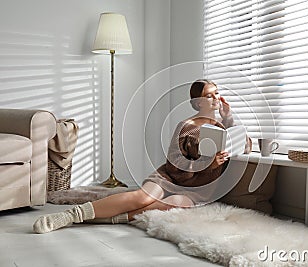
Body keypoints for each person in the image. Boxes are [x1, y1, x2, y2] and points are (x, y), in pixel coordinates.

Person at [33, 79, 252, 234]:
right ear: (197, 102)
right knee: (143, 197)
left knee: (172, 204)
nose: (215, 98)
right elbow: (175, 163)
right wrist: (207, 165)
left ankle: (113, 217)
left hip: (199, 189)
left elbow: (246, 145)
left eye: (217, 93)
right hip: (171, 178)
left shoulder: (224, 124)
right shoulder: (186, 126)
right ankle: (73, 215)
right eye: (209, 95)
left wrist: (229, 117)